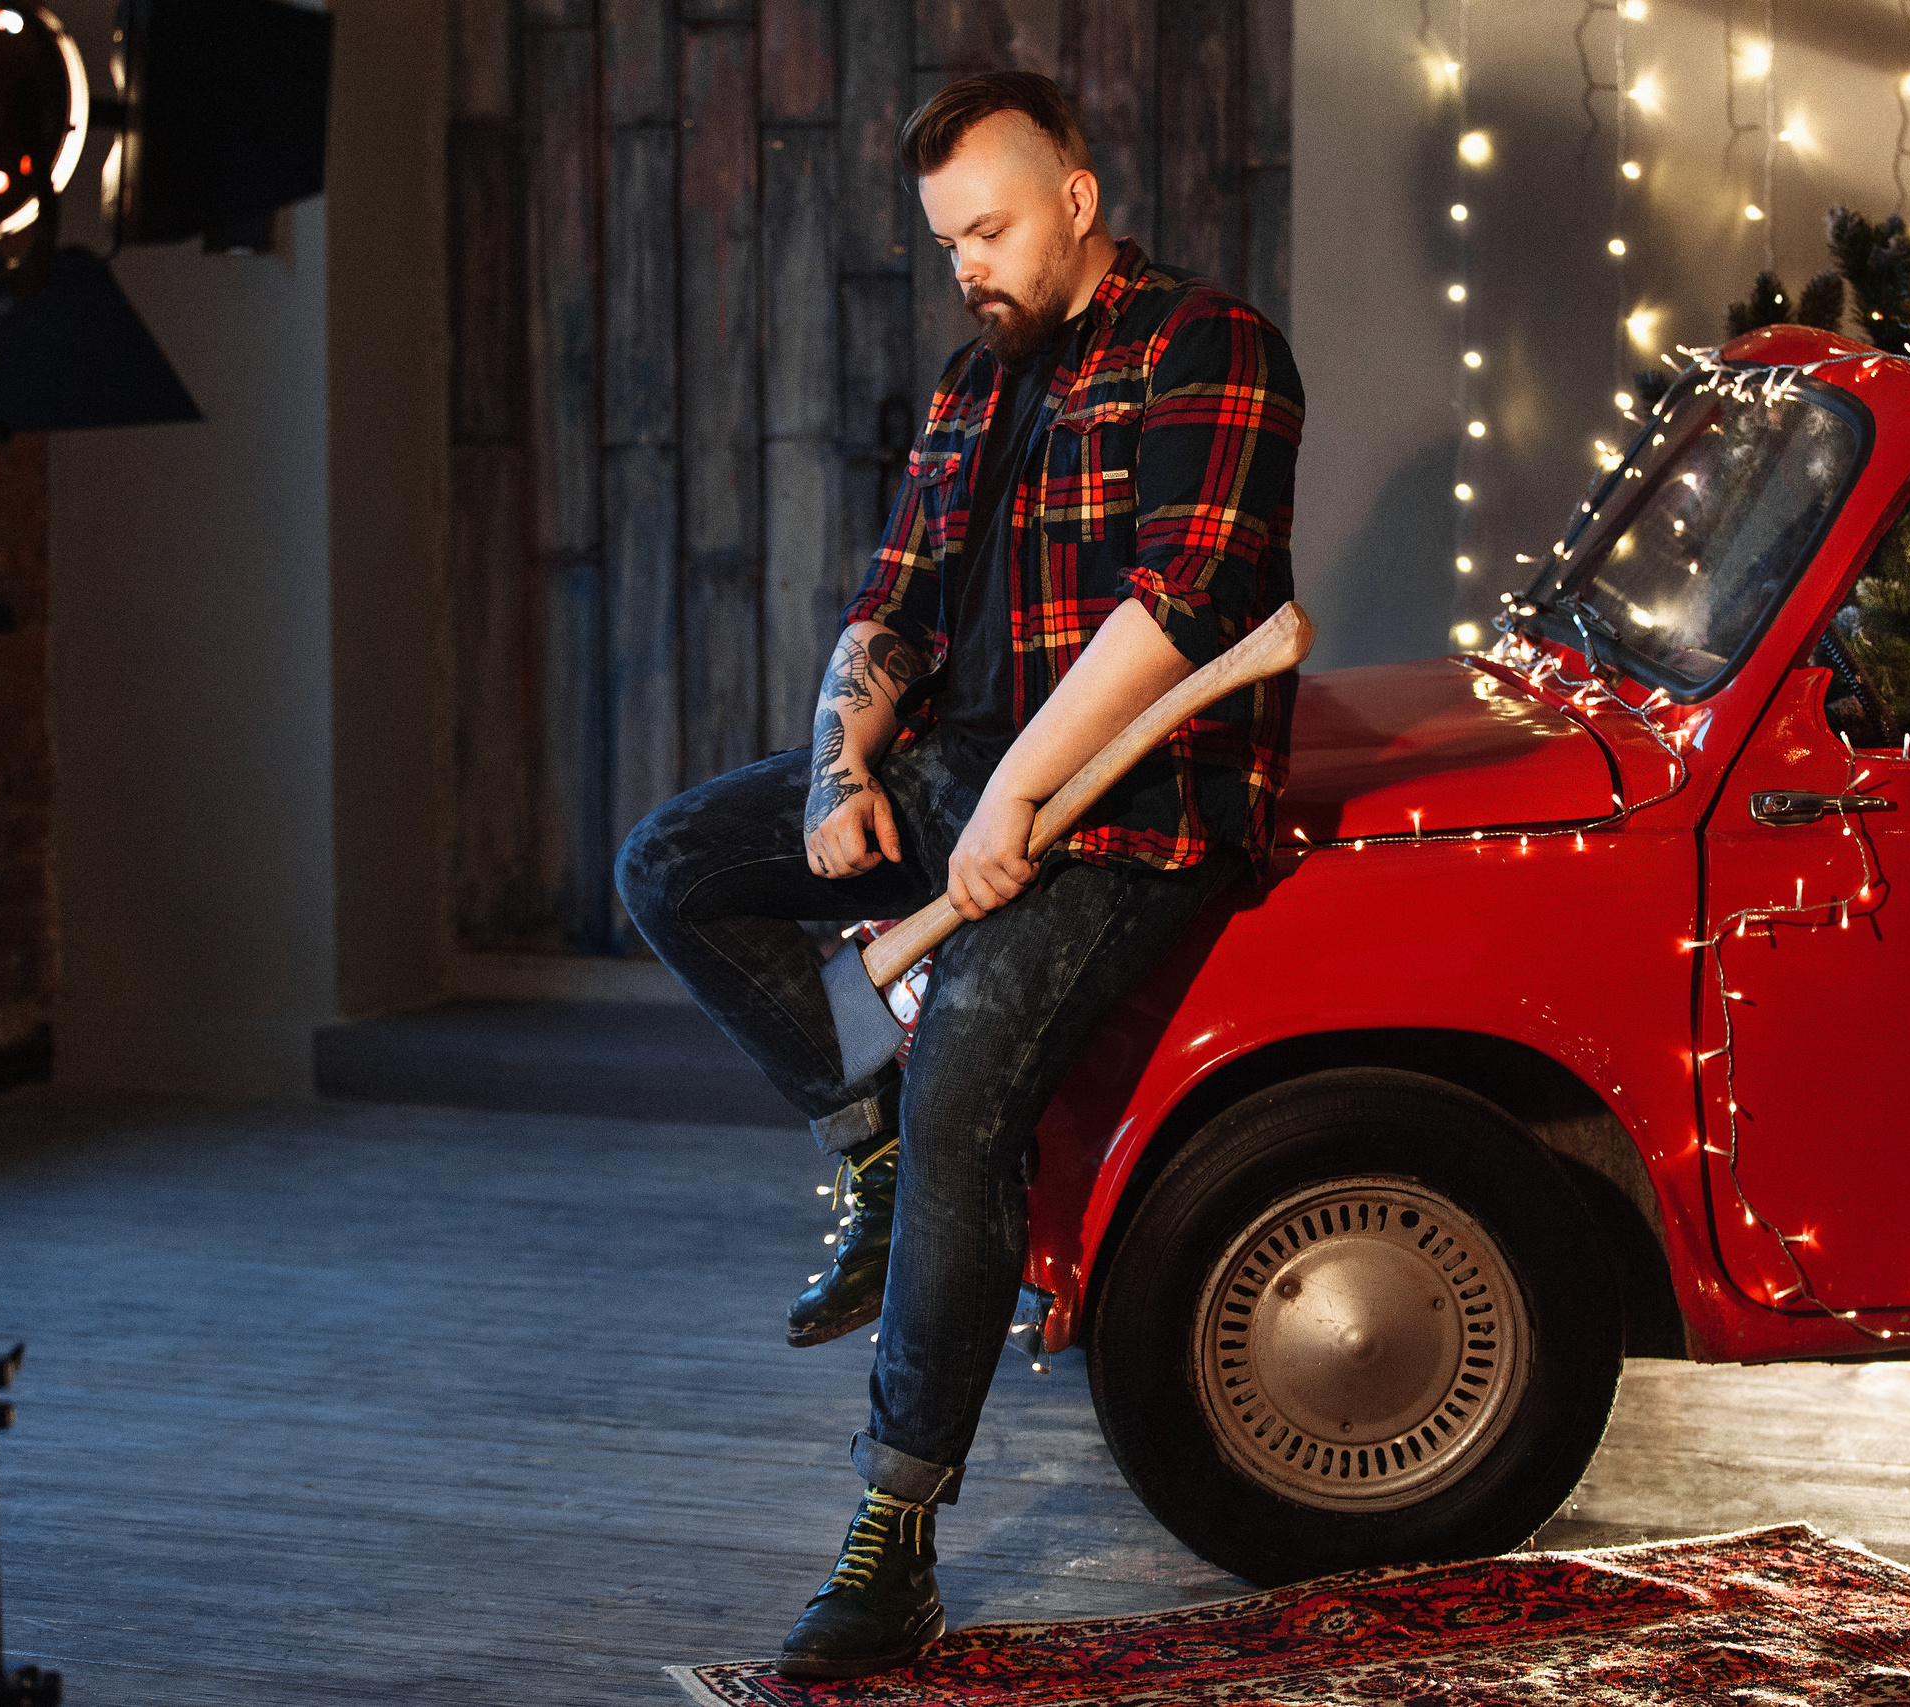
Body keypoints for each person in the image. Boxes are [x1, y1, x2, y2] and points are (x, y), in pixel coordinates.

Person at [614, 70, 1304, 1681]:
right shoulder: (972, 382)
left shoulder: (1213, 347)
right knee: (673, 866)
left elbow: (1189, 603)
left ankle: (892, 1538)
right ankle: (859, 1149)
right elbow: (894, 604)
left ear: (1075, 199)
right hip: (957, 782)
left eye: (989, 229)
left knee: (966, 1090)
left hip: (1135, 809)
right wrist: (848, 760)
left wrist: (1016, 793)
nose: (968, 265)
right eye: (944, 242)